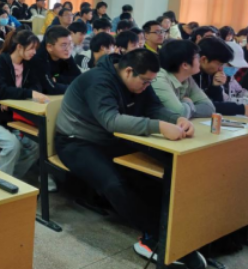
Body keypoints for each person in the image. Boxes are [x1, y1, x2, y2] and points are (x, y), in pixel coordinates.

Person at [54, 49, 204, 268]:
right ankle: (154, 238)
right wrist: (159, 126)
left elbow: (153, 107)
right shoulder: (98, 81)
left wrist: (177, 119)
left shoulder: (140, 78)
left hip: (111, 139)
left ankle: (176, 226)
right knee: (114, 183)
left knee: (153, 171)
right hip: (76, 141)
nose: (146, 86)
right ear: (128, 71)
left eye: (150, 82)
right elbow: (111, 121)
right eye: (145, 82)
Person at [0, 30, 51, 182]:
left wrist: (13, 98)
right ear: (19, 47)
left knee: (35, 145)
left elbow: (36, 85)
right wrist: (26, 94)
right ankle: (0, 183)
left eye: (35, 49)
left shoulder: (29, 64)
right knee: (12, 145)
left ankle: (11, 179)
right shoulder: (0, 62)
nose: (34, 52)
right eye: (31, 48)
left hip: (12, 116)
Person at [153, 39, 214, 119]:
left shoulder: (187, 78)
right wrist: (187, 102)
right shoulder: (159, 79)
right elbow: (179, 114)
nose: (200, 60)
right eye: (197, 57)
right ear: (185, 65)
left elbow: (209, 108)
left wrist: (186, 109)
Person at [193, 38, 248, 116]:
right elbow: (204, 106)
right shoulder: (189, 75)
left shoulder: (209, 73)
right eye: (219, 64)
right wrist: (241, 109)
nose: (221, 68)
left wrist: (216, 87)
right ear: (204, 59)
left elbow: (217, 103)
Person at [31, 26, 81, 94]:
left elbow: (80, 78)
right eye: (63, 45)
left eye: (70, 43)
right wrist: (76, 88)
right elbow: (50, 88)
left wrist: (58, 78)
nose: (68, 48)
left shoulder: (65, 53)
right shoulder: (39, 57)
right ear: (49, 47)